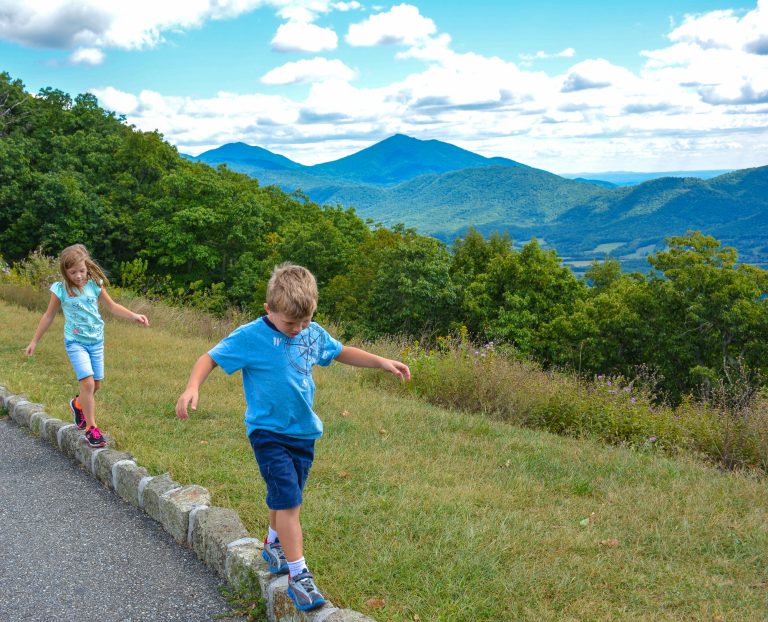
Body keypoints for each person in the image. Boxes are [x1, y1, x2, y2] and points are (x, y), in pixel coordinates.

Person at [175, 263, 410, 611]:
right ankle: (299, 576)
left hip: (303, 433)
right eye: (290, 324)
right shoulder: (251, 336)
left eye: (305, 321)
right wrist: (192, 387)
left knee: (286, 494)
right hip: (267, 432)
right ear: (269, 309)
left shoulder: (311, 332)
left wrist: (381, 361)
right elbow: (209, 357)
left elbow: (341, 351)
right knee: (289, 501)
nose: (298, 329)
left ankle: (273, 545)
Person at [25, 244, 149, 447]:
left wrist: (134, 315)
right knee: (88, 384)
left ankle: (77, 404)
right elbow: (48, 316)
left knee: (96, 385)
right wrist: (34, 341)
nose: (79, 276)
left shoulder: (94, 284)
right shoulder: (61, 290)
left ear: (87, 267)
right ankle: (92, 429)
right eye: (72, 272)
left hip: (96, 342)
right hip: (75, 343)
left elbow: (112, 306)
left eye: (81, 271)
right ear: (65, 272)